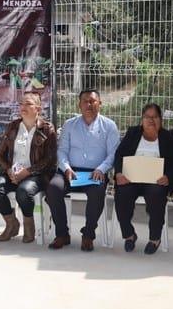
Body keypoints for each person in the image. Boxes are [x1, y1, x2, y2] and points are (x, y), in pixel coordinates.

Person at [46, 89, 119, 251]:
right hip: (70, 171)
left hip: (95, 172)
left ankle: (88, 235)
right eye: (85, 101)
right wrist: (66, 168)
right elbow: (62, 150)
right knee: (53, 188)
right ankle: (62, 234)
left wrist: (101, 169)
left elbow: (113, 153)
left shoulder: (109, 126)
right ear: (79, 104)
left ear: (100, 104)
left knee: (97, 191)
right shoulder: (69, 124)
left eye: (93, 101)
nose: (89, 104)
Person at [113, 103, 173, 255]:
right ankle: (129, 235)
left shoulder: (169, 138)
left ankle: (155, 238)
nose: (151, 120)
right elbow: (119, 155)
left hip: (156, 181)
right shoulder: (133, 133)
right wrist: (119, 173)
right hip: (132, 179)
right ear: (142, 119)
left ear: (161, 119)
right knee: (122, 193)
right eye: (147, 117)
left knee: (156, 194)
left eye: (155, 117)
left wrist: (168, 177)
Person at [0, 92, 57, 243]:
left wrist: (28, 172)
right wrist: (8, 170)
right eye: (21, 104)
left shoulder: (47, 129)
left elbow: (50, 159)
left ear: (38, 109)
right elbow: (0, 155)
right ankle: (12, 223)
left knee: (24, 191)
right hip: (12, 172)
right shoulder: (13, 126)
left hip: (37, 174)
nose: (23, 107)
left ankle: (28, 224)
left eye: (28, 104)